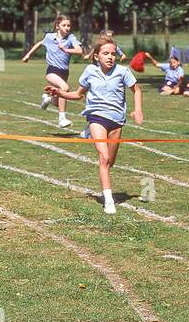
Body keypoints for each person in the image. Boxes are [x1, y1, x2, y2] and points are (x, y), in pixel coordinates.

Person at [48, 38, 142, 215]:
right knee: (104, 158)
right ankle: (109, 200)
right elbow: (78, 94)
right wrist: (60, 93)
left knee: (110, 161)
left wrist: (138, 110)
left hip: (117, 121)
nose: (110, 57)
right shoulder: (90, 71)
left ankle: (89, 134)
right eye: (106, 53)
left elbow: (136, 89)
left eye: (113, 54)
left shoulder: (123, 71)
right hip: (96, 117)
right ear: (97, 56)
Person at [21, 15, 84, 129]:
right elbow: (39, 44)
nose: (67, 28)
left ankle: (48, 99)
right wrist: (28, 55)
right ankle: (62, 119)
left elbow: (79, 51)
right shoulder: (49, 37)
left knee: (58, 100)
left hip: (64, 72)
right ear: (57, 26)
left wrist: (65, 49)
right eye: (64, 25)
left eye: (69, 25)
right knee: (65, 88)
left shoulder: (71, 38)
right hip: (52, 70)